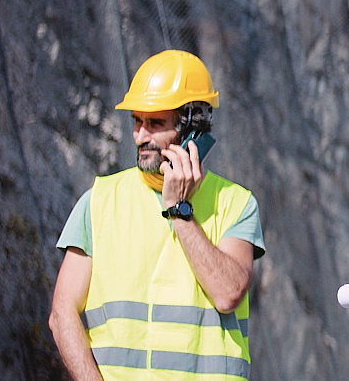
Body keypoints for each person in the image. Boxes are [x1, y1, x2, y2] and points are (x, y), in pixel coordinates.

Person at [49, 50, 265, 380]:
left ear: (194, 128)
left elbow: (227, 293)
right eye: (137, 121)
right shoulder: (99, 201)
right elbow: (62, 312)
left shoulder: (236, 204)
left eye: (155, 123)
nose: (141, 136)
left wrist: (180, 211)